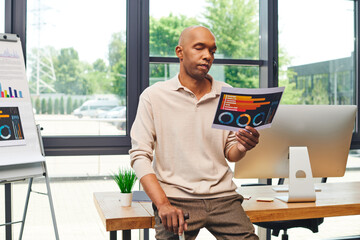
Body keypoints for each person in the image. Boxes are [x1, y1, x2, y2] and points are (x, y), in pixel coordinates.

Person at [130, 25, 260, 240]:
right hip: (175, 200)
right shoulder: (154, 96)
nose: (207, 56)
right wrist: (163, 204)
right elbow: (139, 157)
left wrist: (242, 146)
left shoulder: (227, 94)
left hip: (223, 198)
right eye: (199, 48)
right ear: (179, 52)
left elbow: (230, 152)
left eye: (212, 51)